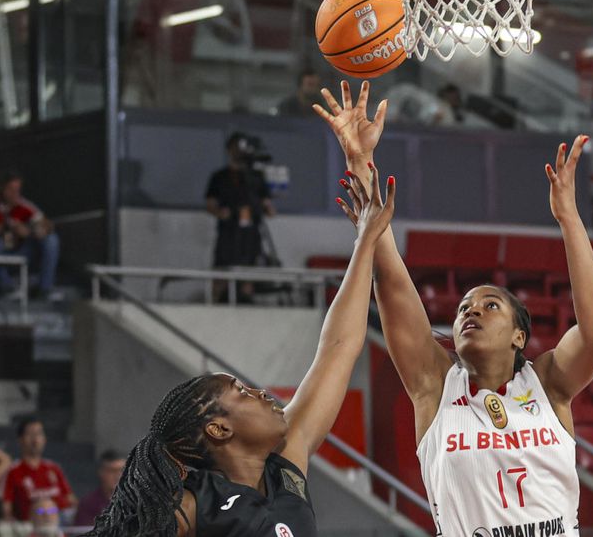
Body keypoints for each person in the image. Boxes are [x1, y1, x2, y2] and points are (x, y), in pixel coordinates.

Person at [315, 80, 593, 536]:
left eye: (491, 305)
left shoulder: (549, 385)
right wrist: (361, 162)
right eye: (463, 308)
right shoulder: (434, 386)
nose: (471, 311)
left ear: (519, 336)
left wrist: (569, 218)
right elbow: (391, 283)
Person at [86, 160, 396, 536]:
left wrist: (365, 241)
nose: (261, 393)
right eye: (243, 392)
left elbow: (339, 347)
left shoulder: (286, 468)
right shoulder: (191, 504)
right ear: (219, 428)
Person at [205, 133, 276, 302]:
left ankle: (246, 302)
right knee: (222, 271)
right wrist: (221, 213)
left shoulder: (255, 177)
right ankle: (215, 302)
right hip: (228, 232)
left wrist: (265, 208)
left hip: (251, 233)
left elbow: (268, 206)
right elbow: (210, 203)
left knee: (249, 273)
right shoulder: (220, 177)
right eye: (235, 147)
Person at [0, 171, 61, 301]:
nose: (14, 194)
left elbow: (48, 224)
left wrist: (31, 231)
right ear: (2, 188)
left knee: (51, 239)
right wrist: (7, 227)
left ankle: (45, 288)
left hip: (20, 254)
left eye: (17, 190)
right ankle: (5, 286)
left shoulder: (24, 205)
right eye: (11, 189)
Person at [3, 418, 78, 521]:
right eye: (30, 434)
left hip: (62, 521)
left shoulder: (54, 468)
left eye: (39, 434)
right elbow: (6, 510)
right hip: (33, 524)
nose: (35, 440)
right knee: (42, 510)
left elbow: (71, 499)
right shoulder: (13, 471)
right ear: (20, 439)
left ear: (44, 439)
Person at [73, 449, 126, 526]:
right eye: (112, 471)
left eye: (122, 470)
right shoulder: (88, 503)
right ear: (101, 472)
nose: (118, 476)